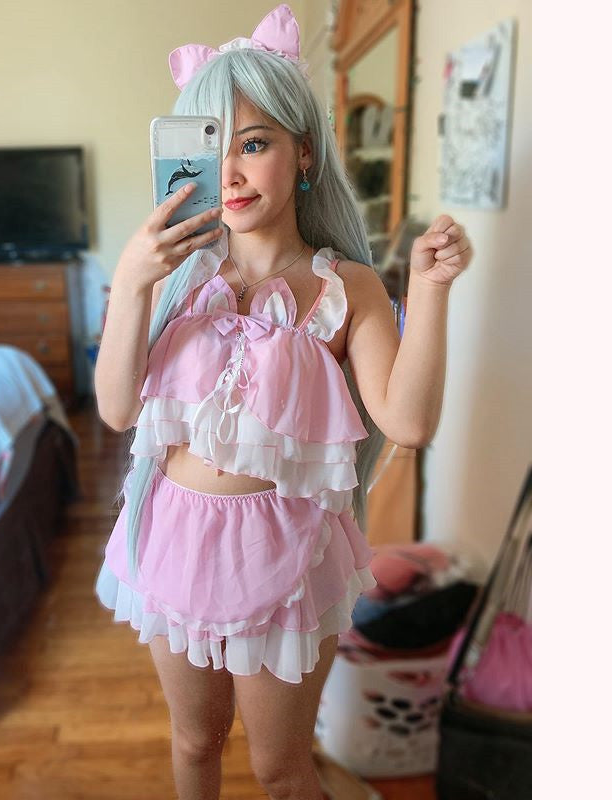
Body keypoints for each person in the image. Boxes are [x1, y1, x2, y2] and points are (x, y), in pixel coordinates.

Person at [93, 5, 472, 799]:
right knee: (194, 742)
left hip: (285, 557)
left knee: (282, 772)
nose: (230, 173)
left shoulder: (345, 287)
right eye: (213, 147)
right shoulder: (175, 276)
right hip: (171, 538)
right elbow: (118, 410)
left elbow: (408, 421)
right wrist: (131, 282)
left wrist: (430, 290)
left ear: (304, 153)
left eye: (254, 144)